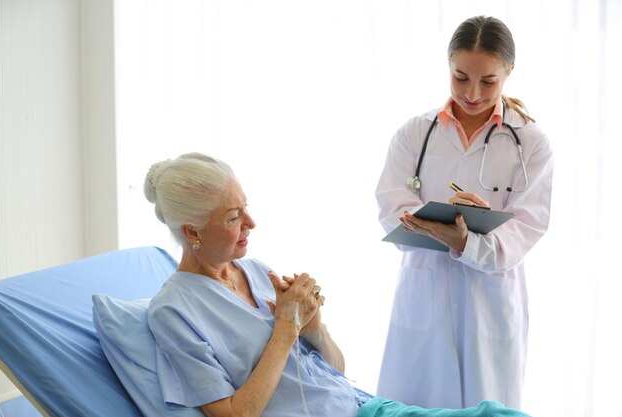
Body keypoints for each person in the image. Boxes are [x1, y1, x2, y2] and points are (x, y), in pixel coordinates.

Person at [144, 152, 532, 417]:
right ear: (192, 231)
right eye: (233, 216)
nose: (251, 222)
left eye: (245, 206)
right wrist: (285, 328)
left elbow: (335, 370)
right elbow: (234, 414)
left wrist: (314, 330)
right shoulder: (174, 311)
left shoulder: (257, 272)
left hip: (361, 407)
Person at [375, 16, 553, 410]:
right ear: (448, 66)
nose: (472, 92)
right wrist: (440, 228)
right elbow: (390, 206)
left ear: (509, 71)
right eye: (460, 77)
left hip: (489, 301)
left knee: (487, 407)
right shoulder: (415, 133)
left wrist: (469, 242)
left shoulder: (530, 143)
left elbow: (527, 226)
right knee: (413, 407)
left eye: (488, 81)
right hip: (424, 293)